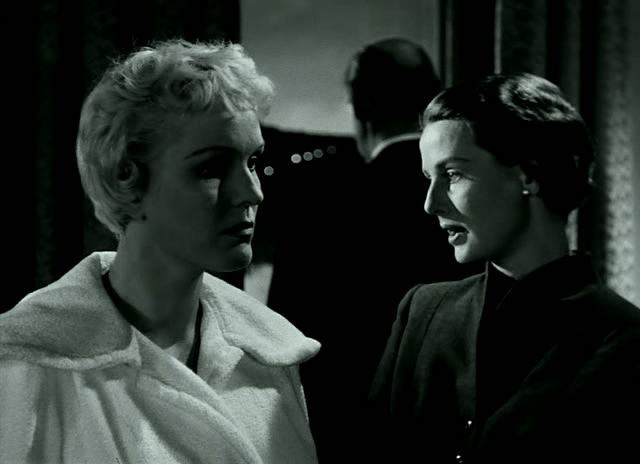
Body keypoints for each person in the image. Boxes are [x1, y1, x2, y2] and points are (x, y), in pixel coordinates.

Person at [0, 39, 321, 463]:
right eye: (210, 168)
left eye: (253, 162)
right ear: (127, 179)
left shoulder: (271, 355)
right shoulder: (27, 362)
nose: (252, 192)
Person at [364, 72, 640, 463]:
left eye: (453, 174)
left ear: (529, 173)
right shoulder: (422, 313)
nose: (430, 203)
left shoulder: (624, 340)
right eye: (429, 177)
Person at [274, 37, 478, 462]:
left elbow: (286, 338)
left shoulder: (321, 205)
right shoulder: (470, 201)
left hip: (347, 431)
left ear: (362, 110)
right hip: (453, 430)